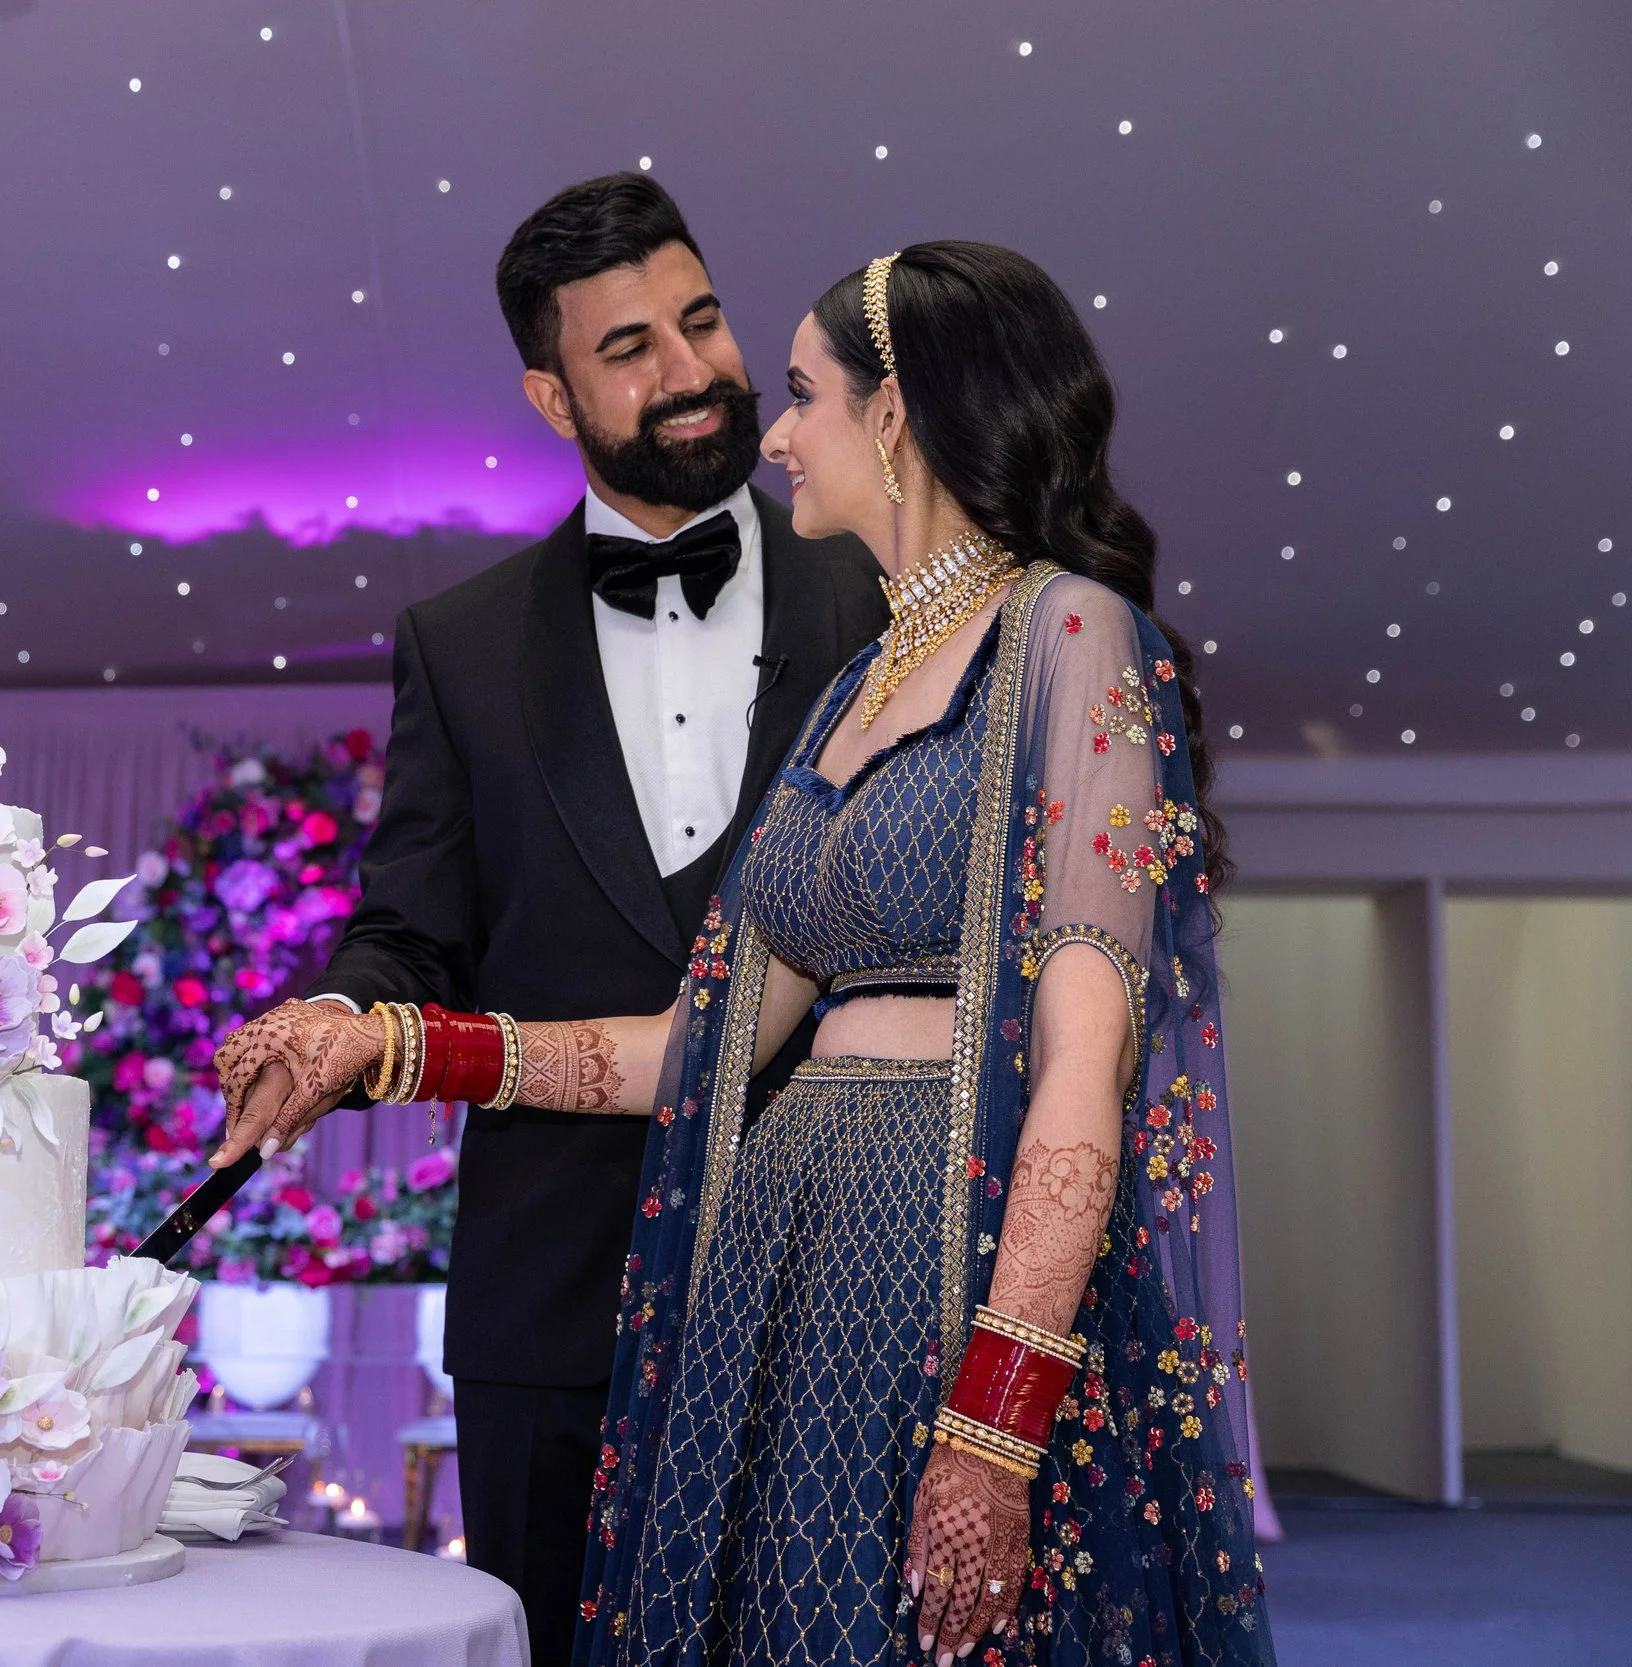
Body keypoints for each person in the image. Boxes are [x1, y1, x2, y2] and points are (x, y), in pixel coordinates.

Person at [219, 242, 1274, 1667]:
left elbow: (1087, 1064)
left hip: (950, 1283)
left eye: (801, 393)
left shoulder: (1072, 634)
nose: (771, 430)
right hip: (780, 1295)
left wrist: (1000, 1417)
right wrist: (395, 1045)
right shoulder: (858, 684)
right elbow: (681, 1042)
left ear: (894, 416)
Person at [208, 172, 885, 1664]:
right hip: (552, 1299)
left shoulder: (885, 596)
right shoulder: (458, 648)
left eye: (700, 322)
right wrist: (336, 1018)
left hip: (847, 1279)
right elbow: (410, 931)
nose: (693, 371)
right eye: (629, 346)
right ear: (549, 391)